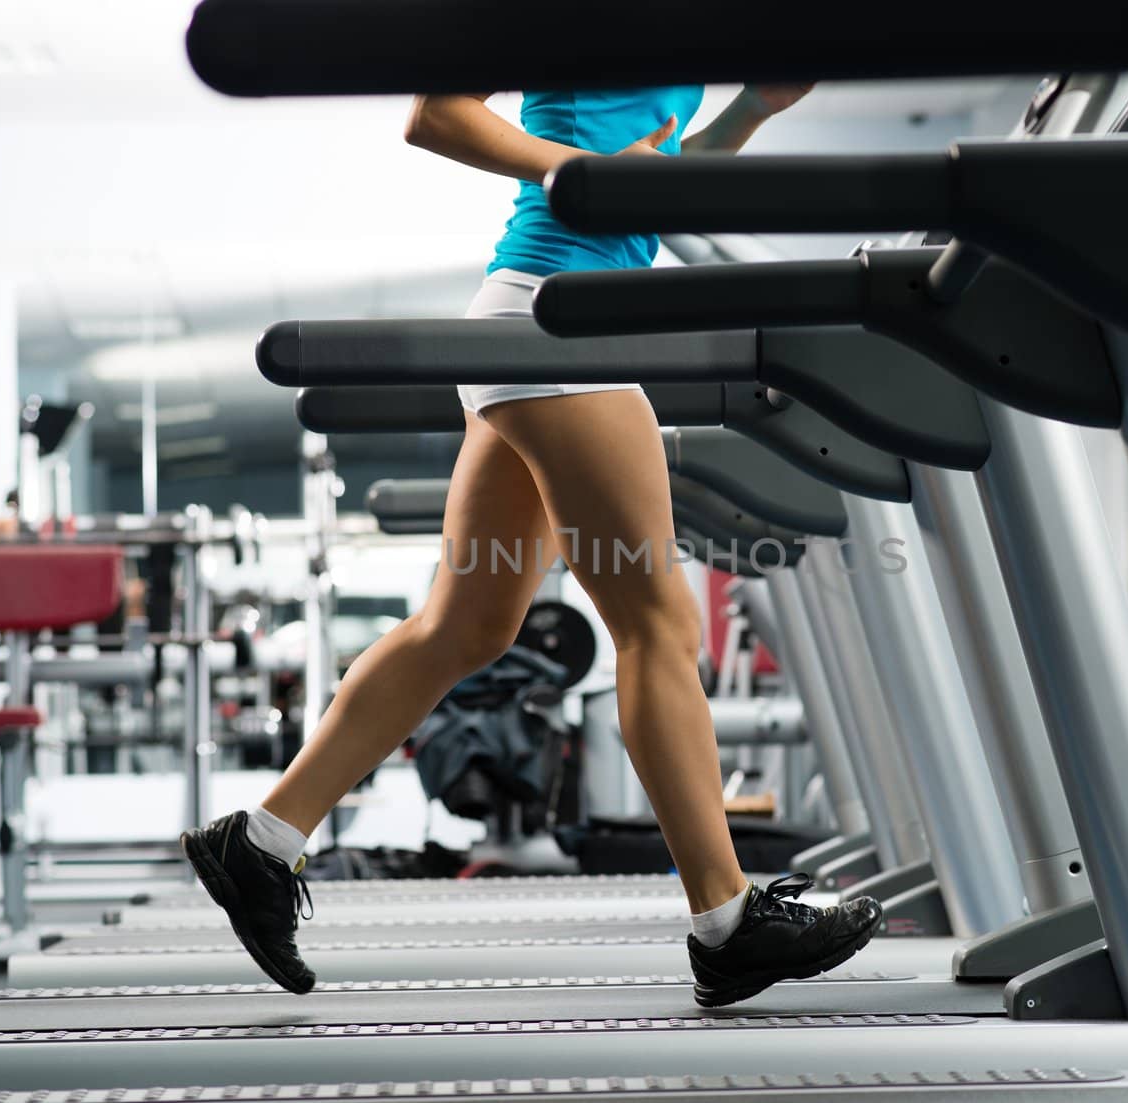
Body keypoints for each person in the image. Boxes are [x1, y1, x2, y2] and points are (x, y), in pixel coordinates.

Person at [182, 85, 882, 1008]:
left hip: (534, 321)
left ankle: (261, 842)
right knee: (659, 630)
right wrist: (575, 173)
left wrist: (753, 108)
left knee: (463, 628)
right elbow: (435, 114)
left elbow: (654, 186)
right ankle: (728, 922)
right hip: (561, 325)